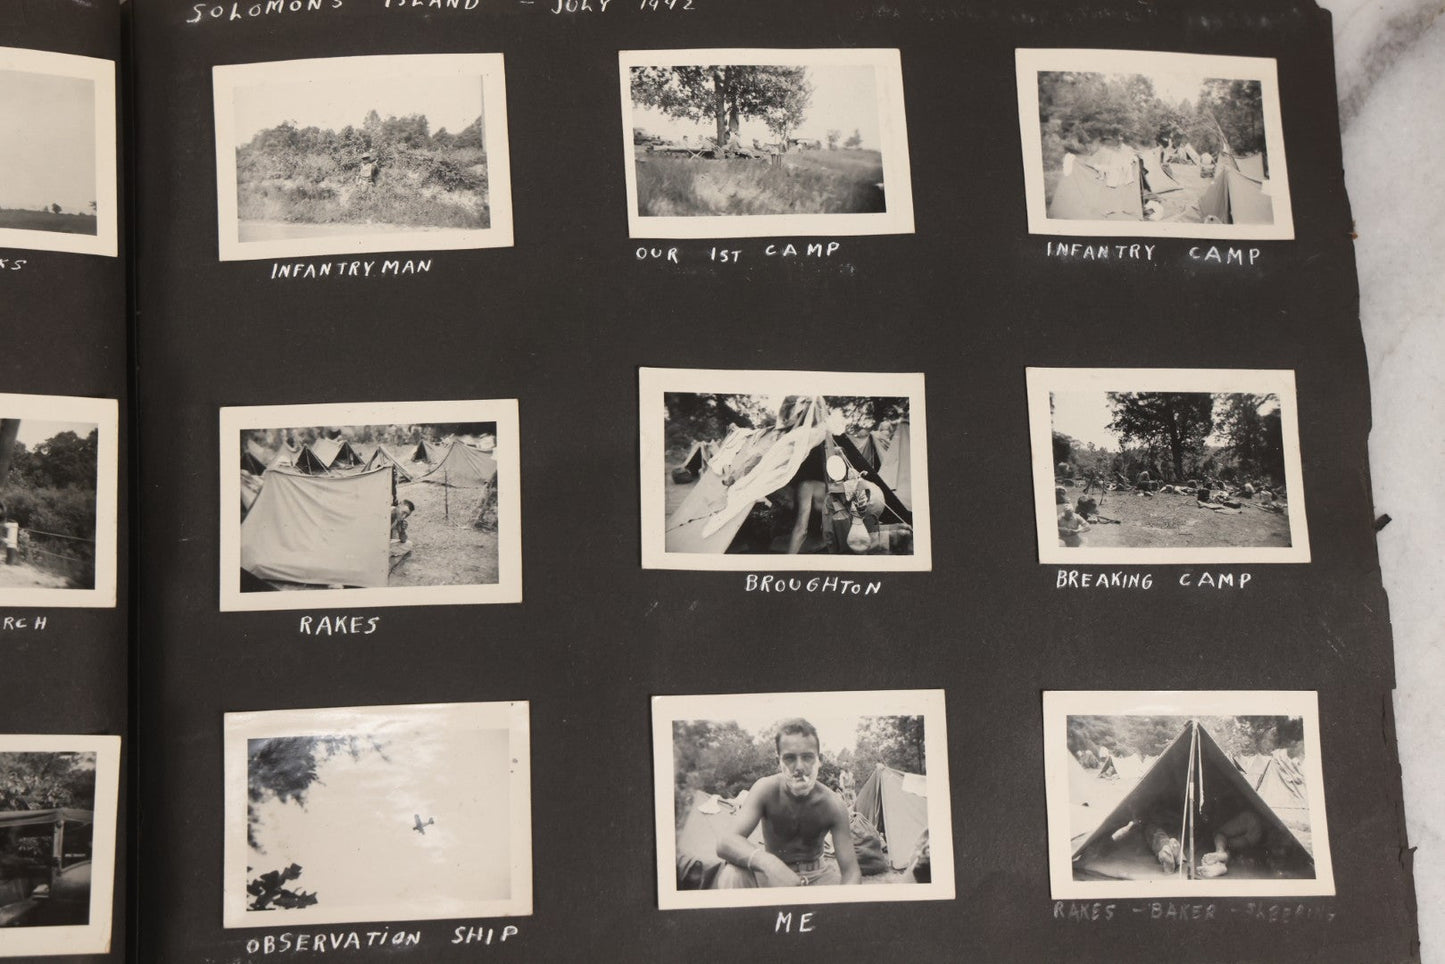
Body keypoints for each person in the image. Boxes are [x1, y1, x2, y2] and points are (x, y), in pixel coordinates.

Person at [715, 719, 861, 888]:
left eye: (807, 757)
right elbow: (725, 841)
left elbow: (851, 871)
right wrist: (769, 863)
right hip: (769, 874)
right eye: (790, 758)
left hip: (818, 876)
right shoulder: (766, 789)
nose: (799, 767)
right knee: (732, 874)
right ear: (779, 761)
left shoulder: (833, 804)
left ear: (819, 759)